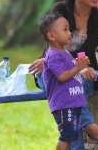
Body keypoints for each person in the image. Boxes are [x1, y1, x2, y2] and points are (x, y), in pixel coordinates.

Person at [28, 0, 98, 149]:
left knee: (76, 86)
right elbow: (54, 50)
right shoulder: (60, 10)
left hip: (81, 71)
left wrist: (84, 68)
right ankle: (90, 127)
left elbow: (87, 51)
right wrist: (79, 67)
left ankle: (86, 130)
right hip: (51, 69)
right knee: (72, 88)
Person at [39, 12, 89, 150]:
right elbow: (62, 76)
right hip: (64, 106)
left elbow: (73, 71)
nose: (69, 33)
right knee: (68, 136)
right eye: (65, 29)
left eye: (69, 29)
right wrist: (78, 67)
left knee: (73, 135)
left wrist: (80, 64)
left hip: (72, 103)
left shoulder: (64, 52)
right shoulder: (53, 55)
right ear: (51, 35)